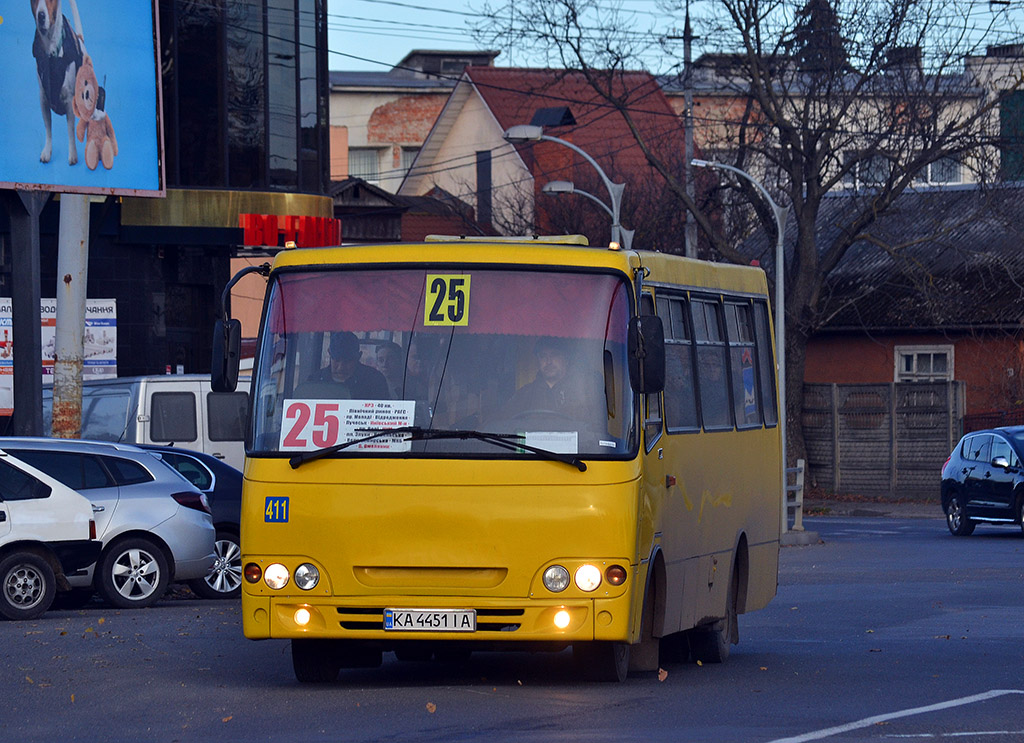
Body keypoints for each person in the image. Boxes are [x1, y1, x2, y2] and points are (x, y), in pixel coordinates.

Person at [500, 337, 605, 430]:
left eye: (555, 355)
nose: (548, 361)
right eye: (543, 356)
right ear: (538, 360)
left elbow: (596, 431)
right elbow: (500, 424)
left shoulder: (584, 392)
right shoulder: (525, 394)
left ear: (566, 359)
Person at [318, 331, 390, 399]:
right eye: (336, 360)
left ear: (359, 356)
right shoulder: (315, 380)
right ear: (329, 353)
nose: (341, 368)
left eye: (348, 361)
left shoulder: (374, 381)